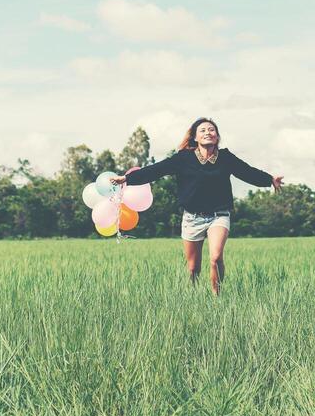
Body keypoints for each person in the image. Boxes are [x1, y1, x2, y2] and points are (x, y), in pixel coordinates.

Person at [112, 117, 283, 294]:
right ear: (195, 137)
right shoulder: (183, 158)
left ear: (217, 137)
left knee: (216, 258)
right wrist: (127, 179)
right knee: (193, 268)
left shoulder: (225, 158)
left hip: (219, 215)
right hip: (192, 218)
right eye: (203, 130)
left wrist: (269, 179)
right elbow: (157, 170)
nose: (208, 132)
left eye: (211, 130)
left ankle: (217, 297)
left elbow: (247, 172)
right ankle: (193, 295)